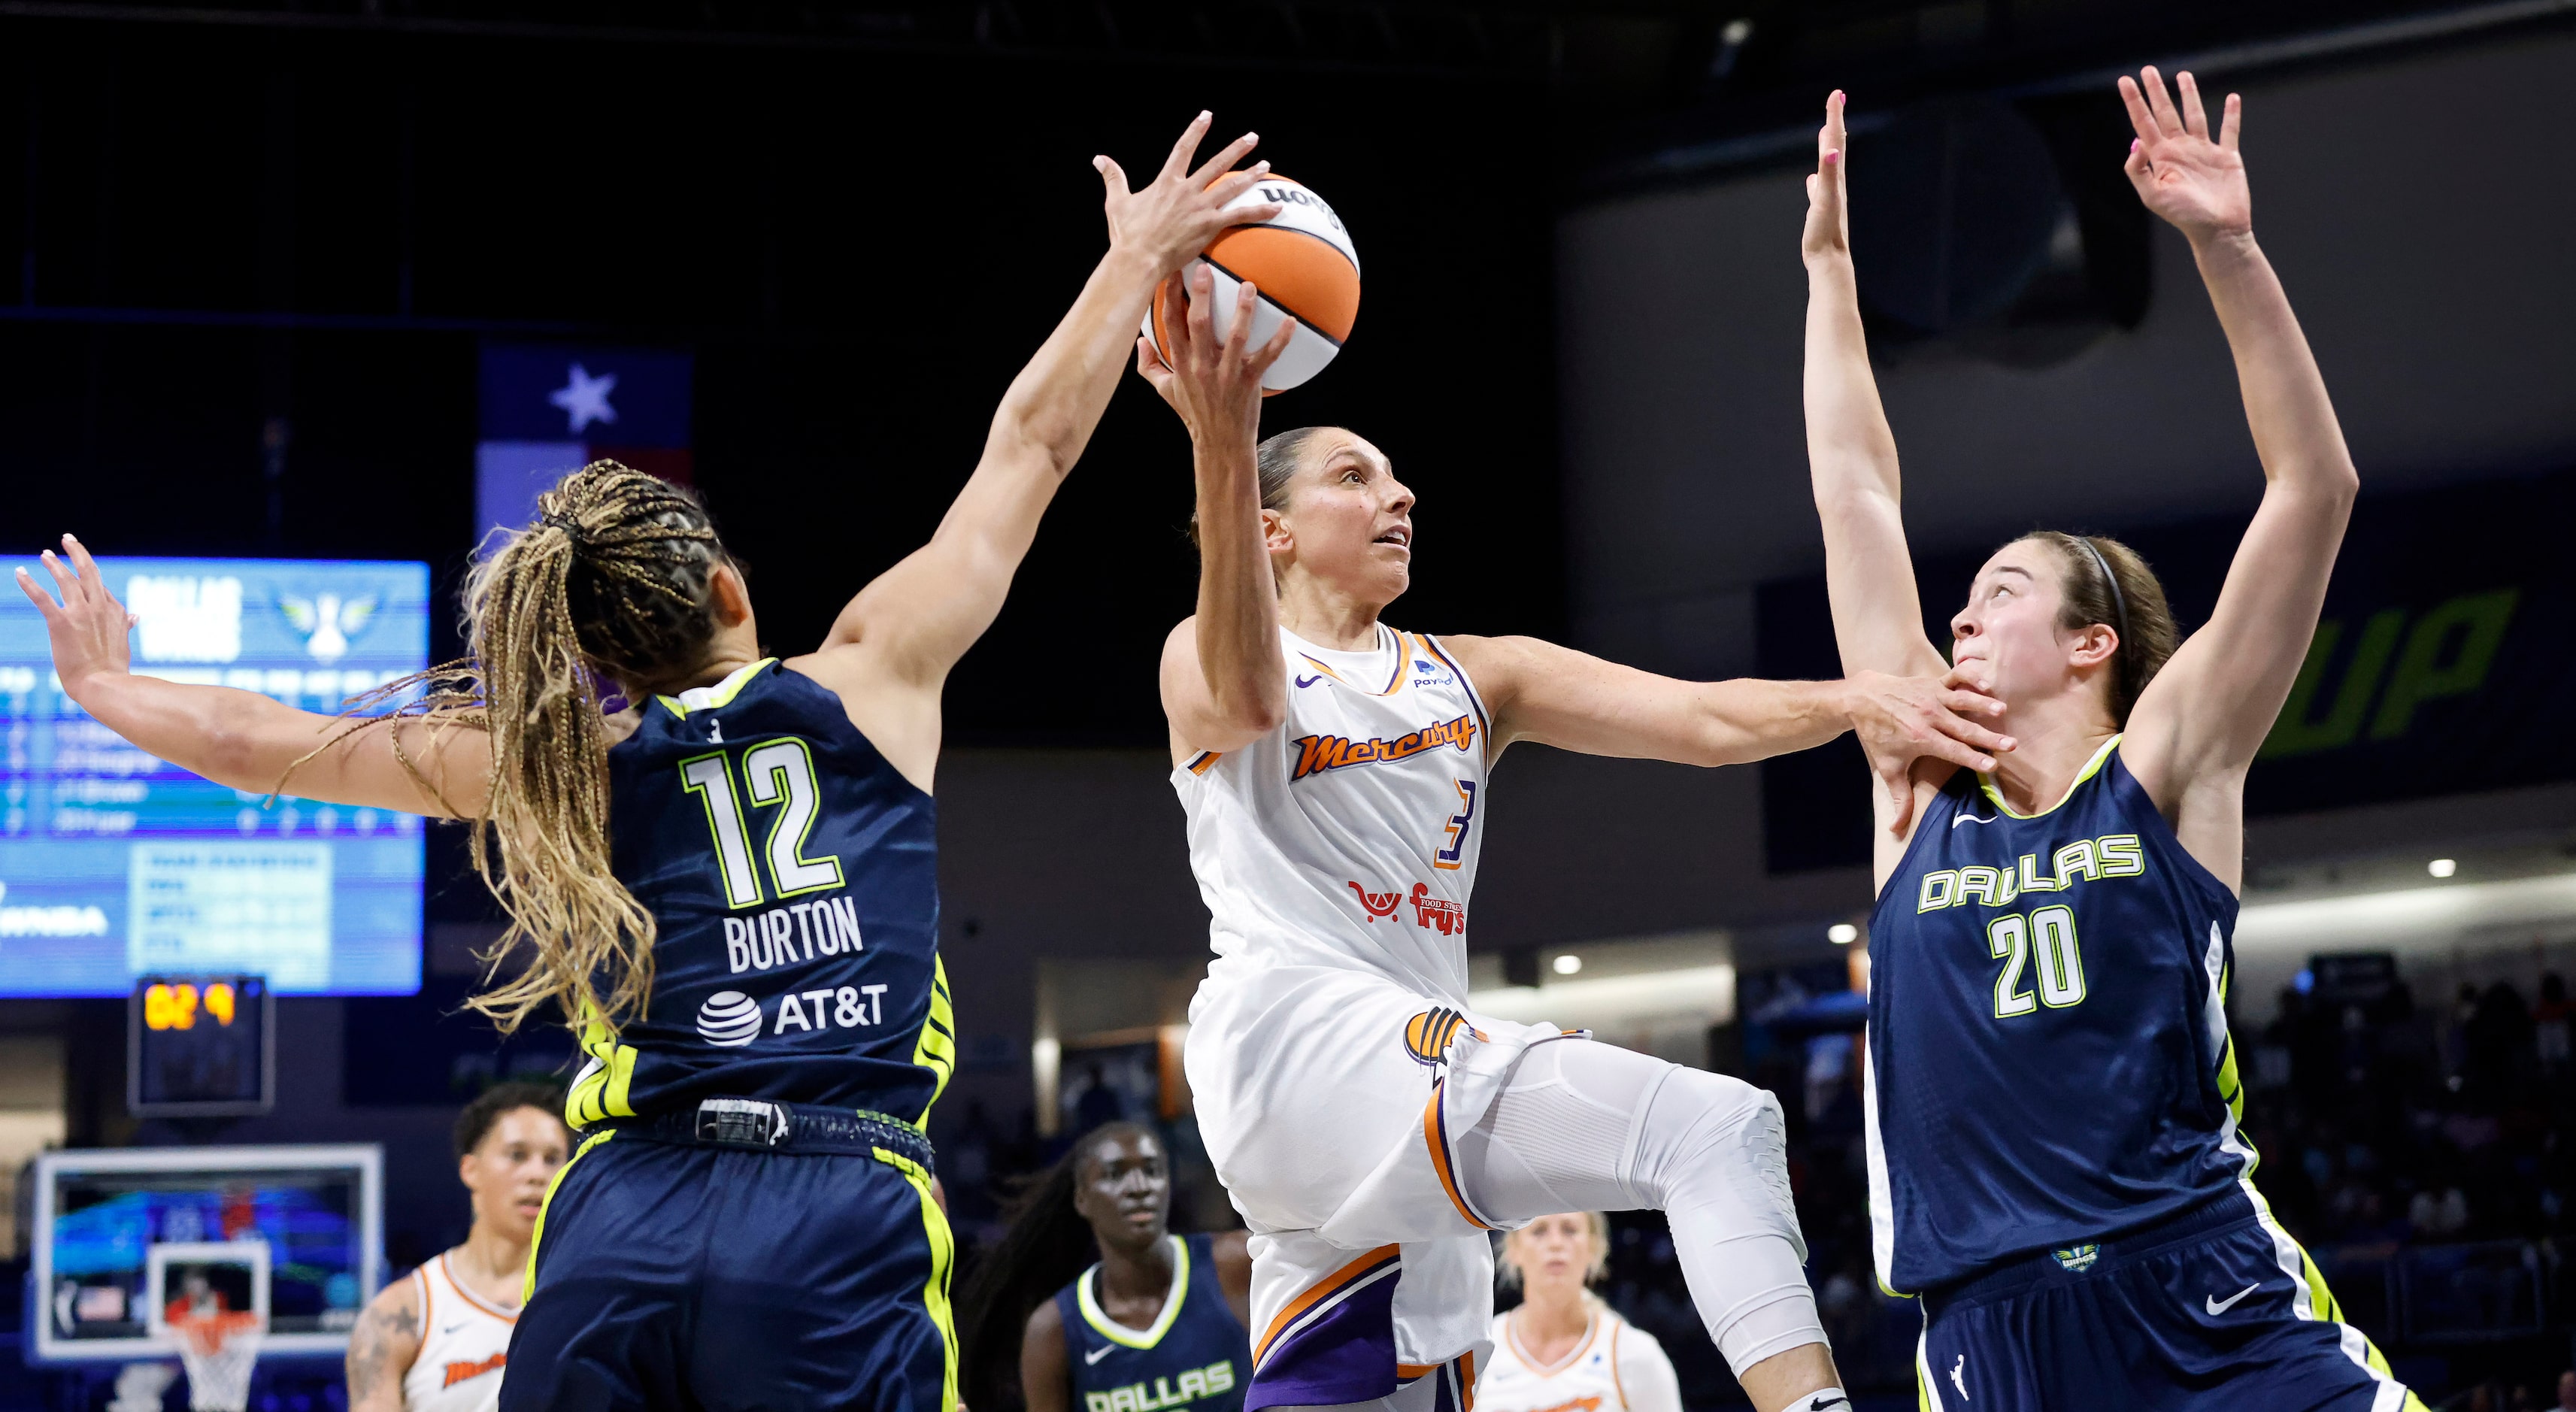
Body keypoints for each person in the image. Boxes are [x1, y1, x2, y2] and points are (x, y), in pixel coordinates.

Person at [16, 111, 1280, 1412]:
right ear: (730, 586)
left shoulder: (558, 765)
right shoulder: (869, 671)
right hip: (833, 1199)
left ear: (597, 657)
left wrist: (101, 681)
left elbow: (261, 745)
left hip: (623, 1212)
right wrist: (1131, 259)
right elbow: (1033, 445)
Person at [1138, 255, 2017, 1412]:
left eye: (1400, 479)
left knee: (1401, 1386)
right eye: (1355, 478)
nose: (1399, 496)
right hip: (1299, 1044)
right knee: (1716, 1130)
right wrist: (1222, 425)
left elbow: (1700, 716)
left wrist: (1853, 701)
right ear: (1273, 533)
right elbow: (1248, 698)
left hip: (1381, 1116)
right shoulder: (1207, 657)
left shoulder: (1474, 674)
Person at [1798, 74, 2426, 1408]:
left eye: (2004, 592)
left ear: (2092, 645)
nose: (1960, 611)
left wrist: (2227, 246)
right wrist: (1828, 278)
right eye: (1964, 595)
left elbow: (2315, 490)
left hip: (2201, 1293)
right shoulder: (1917, 777)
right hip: (1991, 1331)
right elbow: (1855, 493)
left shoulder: (2166, 763)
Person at [958, 1121, 1253, 1412]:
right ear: (1082, 1200)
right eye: (1115, 1175)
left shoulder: (1237, 1263)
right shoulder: (1053, 1330)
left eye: (1152, 1171)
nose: (1138, 1187)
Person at [345, 1083, 571, 1412]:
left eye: (552, 1159)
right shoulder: (400, 1314)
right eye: (517, 1155)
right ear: (471, 1170)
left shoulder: (587, 1299)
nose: (538, 1174)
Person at [1481, 1213, 1681, 1412]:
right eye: (1539, 1231)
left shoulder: (1635, 1354)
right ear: (1514, 1248)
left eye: (1570, 1230)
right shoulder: (1481, 1351)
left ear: (1594, 1247)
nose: (1555, 1243)